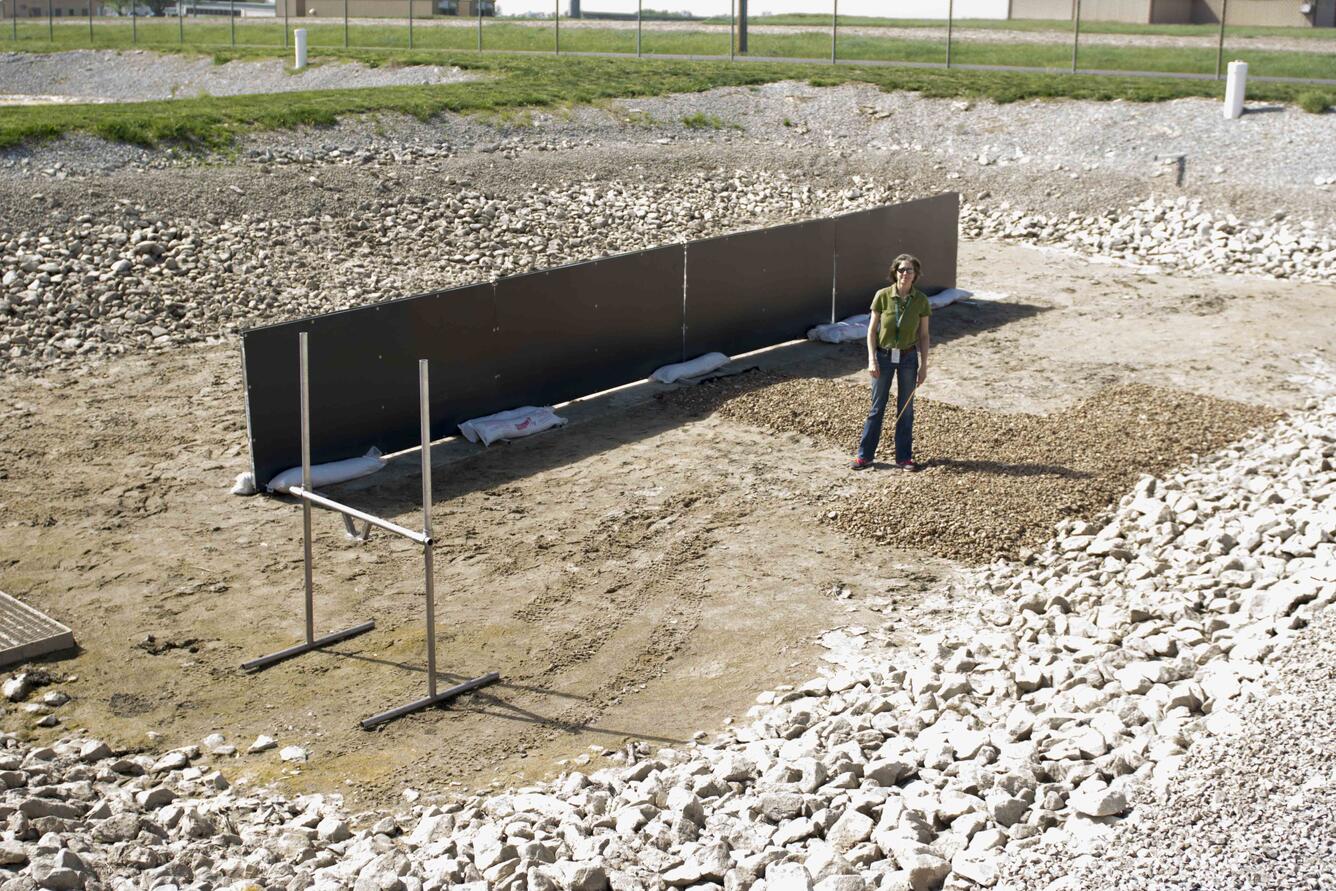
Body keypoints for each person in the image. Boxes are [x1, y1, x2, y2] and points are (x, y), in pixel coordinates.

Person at [851, 253, 931, 471]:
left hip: (908, 357)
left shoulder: (921, 300)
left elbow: (924, 335)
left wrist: (923, 366)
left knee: (906, 409)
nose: (905, 274)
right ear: (894, 272)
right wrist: (871, 358)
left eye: (909, 270)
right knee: (877, 407)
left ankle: (904, 457)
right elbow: (871, 331)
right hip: (883, 357)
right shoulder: (883, 296)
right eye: (901, 270)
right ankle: (864, 456)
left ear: (916, 275)